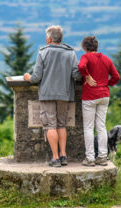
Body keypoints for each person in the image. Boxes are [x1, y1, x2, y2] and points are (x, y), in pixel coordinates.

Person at [23, 25, 81, 167]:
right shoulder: (71, 53)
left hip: (47, 94)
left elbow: (36, 77)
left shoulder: (43, 53)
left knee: (50, 125)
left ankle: (55, 158)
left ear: (49, 38)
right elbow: (76, 75)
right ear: (60, 38)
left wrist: (28, 77)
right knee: (62, 124)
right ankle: (63, 155)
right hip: (65, 94)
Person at [78, 35, 120, 166]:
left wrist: (87, 76)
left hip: (90, 96)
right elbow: (116, 76)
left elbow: (81, 67)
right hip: (104, 95)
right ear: (96, 46)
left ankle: (90, 158)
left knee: (89, 127)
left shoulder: (86, 57)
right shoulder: (106, 59)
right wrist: (106, 83)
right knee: (101, 126)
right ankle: (102, 157)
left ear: (84, 48)